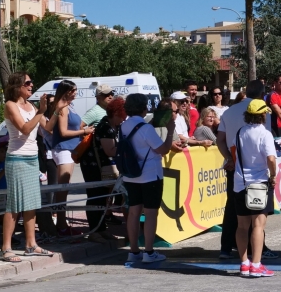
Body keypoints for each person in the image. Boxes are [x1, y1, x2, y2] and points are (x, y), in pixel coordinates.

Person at [119, 93, 185, 264]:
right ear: (143, 108)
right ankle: (149, 251)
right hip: (150, 174)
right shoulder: (145, 128)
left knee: (133, 212)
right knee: (150, 213)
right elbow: (162, 149)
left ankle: (133, 251)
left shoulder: (123, 126)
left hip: (131, 174)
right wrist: (170, 131)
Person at [0, 73, 56, 262]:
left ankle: (31, 244)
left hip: (32, 158)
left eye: (32, 82)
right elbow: (24, 129)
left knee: (31, 204)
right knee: (15, 203)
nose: (32, 85)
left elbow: (47, 128)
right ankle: (6, 247)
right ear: (17, 86)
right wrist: (41, 110)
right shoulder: (10, 105)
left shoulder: (31, 106)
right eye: (28, 83)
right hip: (17, 158)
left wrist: (57, 110)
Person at [231, 99, 278, 278]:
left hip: (239, 182)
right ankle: (256, 264)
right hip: (258, 183)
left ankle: (244, 263)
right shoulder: (264, 134)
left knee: (242, 226)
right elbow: (271, 159)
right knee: (258, 225)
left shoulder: (240, 132)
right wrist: (273, 175)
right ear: (262, 115)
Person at [49, 81, 93, 236]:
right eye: (73, 90)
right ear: (66, 91)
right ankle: (61, 225)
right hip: (64, 149)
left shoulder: (68, 106)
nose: (76, 93)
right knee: (63, 189)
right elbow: (62, 132)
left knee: (63, 189)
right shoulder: (63, 107)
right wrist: (84, 131)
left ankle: (61, 222)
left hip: (69, 150)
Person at [81, 95, 122, 244]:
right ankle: (94, 231)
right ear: (117, 112)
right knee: (94, 197)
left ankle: (102, 228)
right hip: (93, 166)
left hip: (103, 166)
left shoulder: (113, 125)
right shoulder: (105, 126)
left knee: (104, 197)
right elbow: (110, 150)